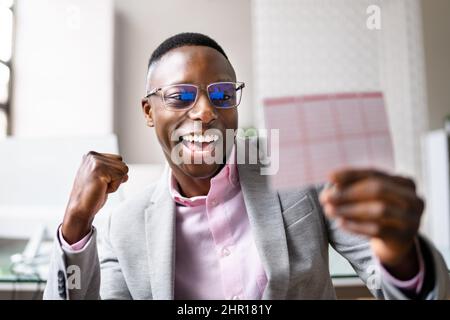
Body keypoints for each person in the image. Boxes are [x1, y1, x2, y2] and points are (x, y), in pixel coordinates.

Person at [44, 33, 449, 300]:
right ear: (149, 111)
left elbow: (406, 285)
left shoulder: (298, 170)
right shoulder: (124, 226)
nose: (204, 112)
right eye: (180, 96)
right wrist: (75, 225)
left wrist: (402, 255)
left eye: (221, 94)